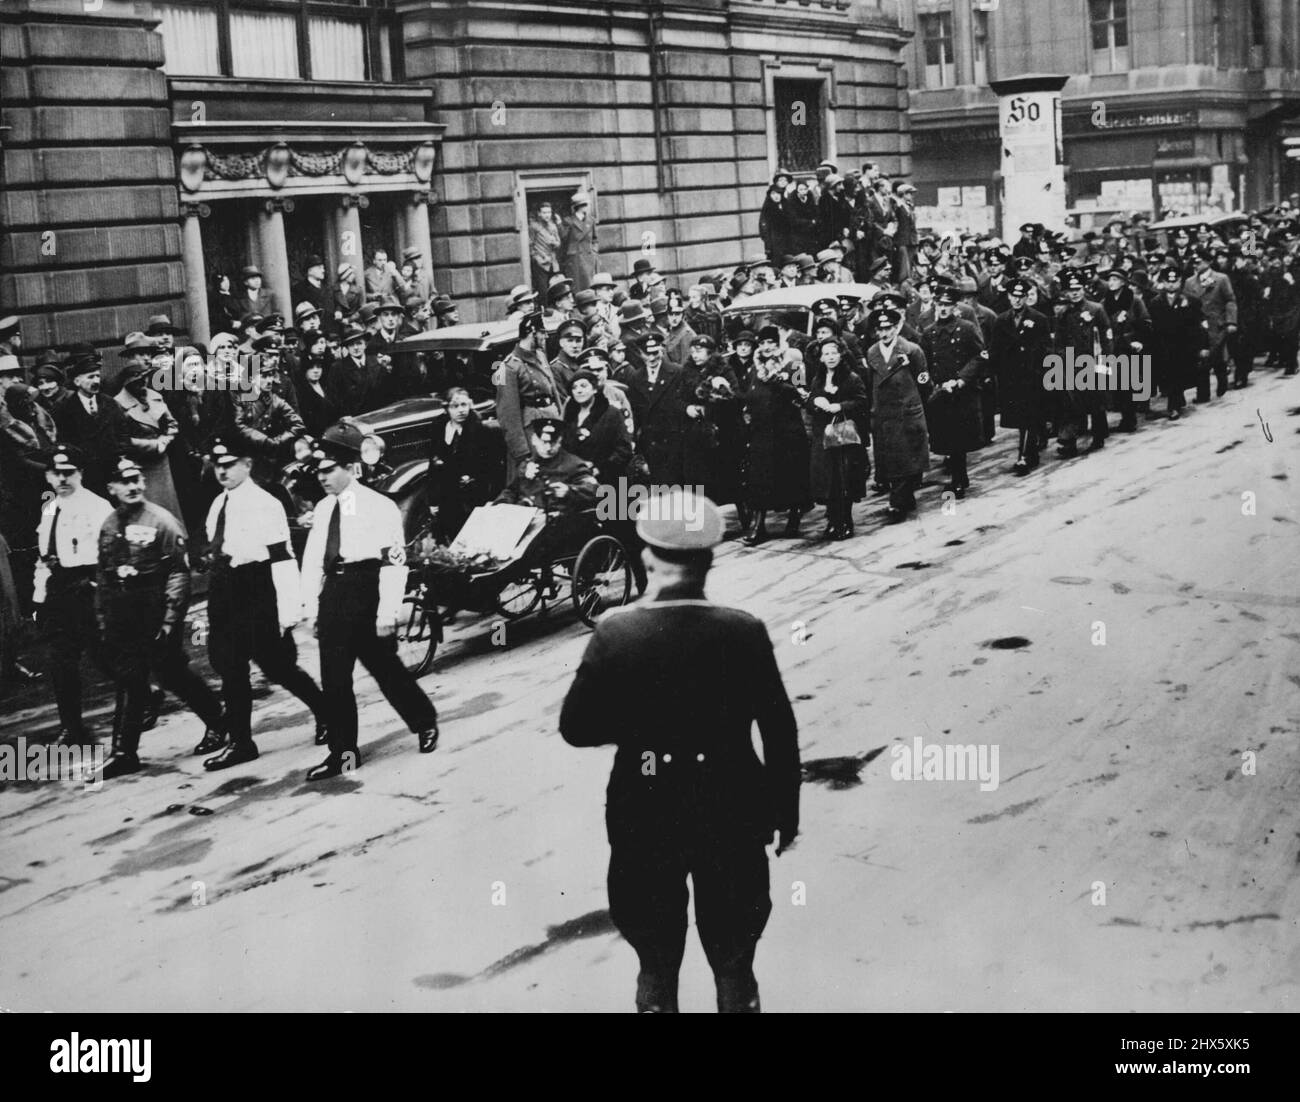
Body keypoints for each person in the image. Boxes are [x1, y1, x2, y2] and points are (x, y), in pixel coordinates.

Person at [560, 489, 800, 1013]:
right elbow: (780, 731)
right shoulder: (743, 630)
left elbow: (576, 728)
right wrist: (785, 813)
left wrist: (640, 725)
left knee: (656, 957)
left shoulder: (617, 633)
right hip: (731, 809)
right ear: (710, 561)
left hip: (645, 813)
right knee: (735, 957)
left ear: (647, 557)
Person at [299, 423, 440, 780]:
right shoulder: (322, 510)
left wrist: (388, 610)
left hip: (367, 590)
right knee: (334, 680)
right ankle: (343, 753)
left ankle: (424, 722)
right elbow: (314, 560)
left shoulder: (380, 507)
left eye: (330, 470)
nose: (322, 478)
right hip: (334, 591)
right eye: (319, 471)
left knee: (385, 670)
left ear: (351, 468)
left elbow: (393, 563)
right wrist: (311, 608)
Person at [199, 437, 328, 771]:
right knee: (230, 667)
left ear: (248, 465)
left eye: (229, 465)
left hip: (257, 589)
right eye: (218, 465)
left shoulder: (265, 504)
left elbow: (281, 559)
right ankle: (241, 742)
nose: (223, 471)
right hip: (226, 587)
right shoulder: (217, 504)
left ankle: (325, 711)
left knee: (277, 666)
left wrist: (288, 611)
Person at [97, 455, 226, 779]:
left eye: (136, 479)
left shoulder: (161, 521)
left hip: (154, 607)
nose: (132, 486)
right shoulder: (110, 524)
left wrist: (170, 620)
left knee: (172, 673)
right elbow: (105, 574)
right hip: (124, 612)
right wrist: (104, 616)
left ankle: (218, 720)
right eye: (124, 482)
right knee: (130, 678)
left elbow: (178, 573)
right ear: (111, 487)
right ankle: (125, 753)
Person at [30, 446, 114, 742]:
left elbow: (111, 554)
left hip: (88, 585)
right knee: (60, 660)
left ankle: (145, 695)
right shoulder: (51, 507)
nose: (63, 479)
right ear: (48, 476)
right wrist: (39, 599)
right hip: (60, 590)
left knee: (102, 654)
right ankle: (72, 727)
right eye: (57, 473)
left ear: (80, 474)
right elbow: (46, 558)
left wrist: (103, 592)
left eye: (69, 473)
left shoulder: (98, 507)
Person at [742, 329, 810, 544]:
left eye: (771, 342)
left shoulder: (795, 363)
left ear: (779, 343)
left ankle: (794, 516)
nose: (767, 347)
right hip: (761, 431)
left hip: (787, 430)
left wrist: (781, 381)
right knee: (759, 476)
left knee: (790, 473)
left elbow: (802, 392)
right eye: (762, 343)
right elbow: (749, 394)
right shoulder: (755, 368)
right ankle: (758, 524)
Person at [863, 306, 930, 520]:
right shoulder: (872, 352)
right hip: (883, 414)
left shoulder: (911, 350)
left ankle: (897, 502)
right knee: (889, 459)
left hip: (906, 411)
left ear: (897, 327)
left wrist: (915, 404)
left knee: (905, 457)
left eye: (888, 328)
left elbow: (924, 381)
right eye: (879, 329)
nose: (884, 333)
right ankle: (904, 496)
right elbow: (871, 383)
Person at [920, 284, 985, 497]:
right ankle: (959, 476)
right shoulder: (929, 333)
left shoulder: (966, 327)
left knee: (960, 436)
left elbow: (979, 356)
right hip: (941, 392)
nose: (943, 308)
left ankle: (958, 479)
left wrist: (962, 379)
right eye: (940, 304)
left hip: (961, 391)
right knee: (946, 436)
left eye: (948, 304)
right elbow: (926, 363)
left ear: (955, 306)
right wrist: (931, 385)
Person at [806, 338, 868, 541]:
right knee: (828, 482)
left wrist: (839, 406)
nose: (830, 357)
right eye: (826, 354)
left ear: (841, 354)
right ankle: (832, 521)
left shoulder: (851, 378)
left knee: (845, 480)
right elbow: (809, 403)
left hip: (844, 436)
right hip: (823, 437)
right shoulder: (818, 379)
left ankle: (846, 522)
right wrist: (816, 401)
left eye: (834, 353)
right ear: (821, 358)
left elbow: (861, 402)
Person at [114, 353, 185, 526]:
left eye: (144, 379)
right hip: (140, 464)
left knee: (168, 507)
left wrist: (165, 440)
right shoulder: (117, 404)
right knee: (146, 511)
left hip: (161, 463)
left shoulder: (155, 396)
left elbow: (172, 424)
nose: (142, 384)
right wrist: (154, 445)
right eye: (137, 382)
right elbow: (122, 440)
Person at [988, 279, 1052, 473]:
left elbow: (1047, 348)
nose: (1016, 300)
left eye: (1020, 296)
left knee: (1028, 416)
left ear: (1026, 297)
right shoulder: (1001, 320)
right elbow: (995, 349)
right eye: (1013, 296)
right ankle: (1034, 444)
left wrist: (1042, 371)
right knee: (1022, 417)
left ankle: (1025, 456)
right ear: (1008, 297)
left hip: (1032, 375)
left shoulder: (1039, 319)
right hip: (1011, 376)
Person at [493, 310, 563, 485]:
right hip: (531, 433)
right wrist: (522, 454)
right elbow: (507, 415)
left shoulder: (540, 355)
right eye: (542, 332)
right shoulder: (508, 367)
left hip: (551, 423)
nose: (545, 337)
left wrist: (562, 422)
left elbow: (554, 392)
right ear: (531, 332)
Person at [428, 387, 503, 543]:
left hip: (474, 497)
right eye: (455, 406)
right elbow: (433, 467)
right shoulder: (439, 429)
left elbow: (494, 468)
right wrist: (433, 501)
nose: (461, 410)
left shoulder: (481, 431)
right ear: (446, 409)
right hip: (448, 497)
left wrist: (493, 500)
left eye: (464, 405)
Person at [52, 346, 122, 494]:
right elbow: (64, 442)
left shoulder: (110, 403)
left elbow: (123, 433)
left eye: (97, 376)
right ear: (77, 381)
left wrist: (122, 459)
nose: (96, 381)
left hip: (113, 472)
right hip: (86, 476)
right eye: (90, 377)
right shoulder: (64, 409)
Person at [1147, 264, 1209, 421]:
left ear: (1180, 281)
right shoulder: (1155, 302)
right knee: (1169, 376)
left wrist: (1203, 346)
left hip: (1185, 346)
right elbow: (1153, 326)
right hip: (1164, 346)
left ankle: (1174, 405)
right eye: (1168, 281)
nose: (1171, 284)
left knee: (1179, 374)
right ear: (1163, 282)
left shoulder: (1191, 301)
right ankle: (1175, 403)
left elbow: (1199, 324)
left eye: (1174, 281)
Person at [1181, 248, 1237, 402]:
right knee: (1201, 360)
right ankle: (1203, 395)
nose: (1195, 265)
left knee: (1217, 357)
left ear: (1208, 262)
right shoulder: (1189, 282)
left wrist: (1231, 321)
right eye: (1193, 262)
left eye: (1198, 262)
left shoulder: (1221, 278)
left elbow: (1230, 300)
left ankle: (1222, 382)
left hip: (1216, 324)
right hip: (1198, 326)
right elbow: (1186, 304)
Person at [560, 191, 598, 292]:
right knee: (577, 286)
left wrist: (593, 252)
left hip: (588, 257)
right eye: (586, 205)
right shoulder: (568, 221)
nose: (588, 207)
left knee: (589, 285)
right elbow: (564, 240)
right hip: (574, 259)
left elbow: (595, 239)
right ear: (581, 206)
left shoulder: (591, 221)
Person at [529, 201, 564, 293]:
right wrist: (537, 258)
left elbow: (559, 243)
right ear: (539, 214)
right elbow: (530, 245)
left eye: (549, 212)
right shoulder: (534, 227)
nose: (547, 215)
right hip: (541, 264)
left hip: (553, 263)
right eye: (544, 213)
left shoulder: (553, 226)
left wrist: (555, 243)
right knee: (543, 290)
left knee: (556, 289)